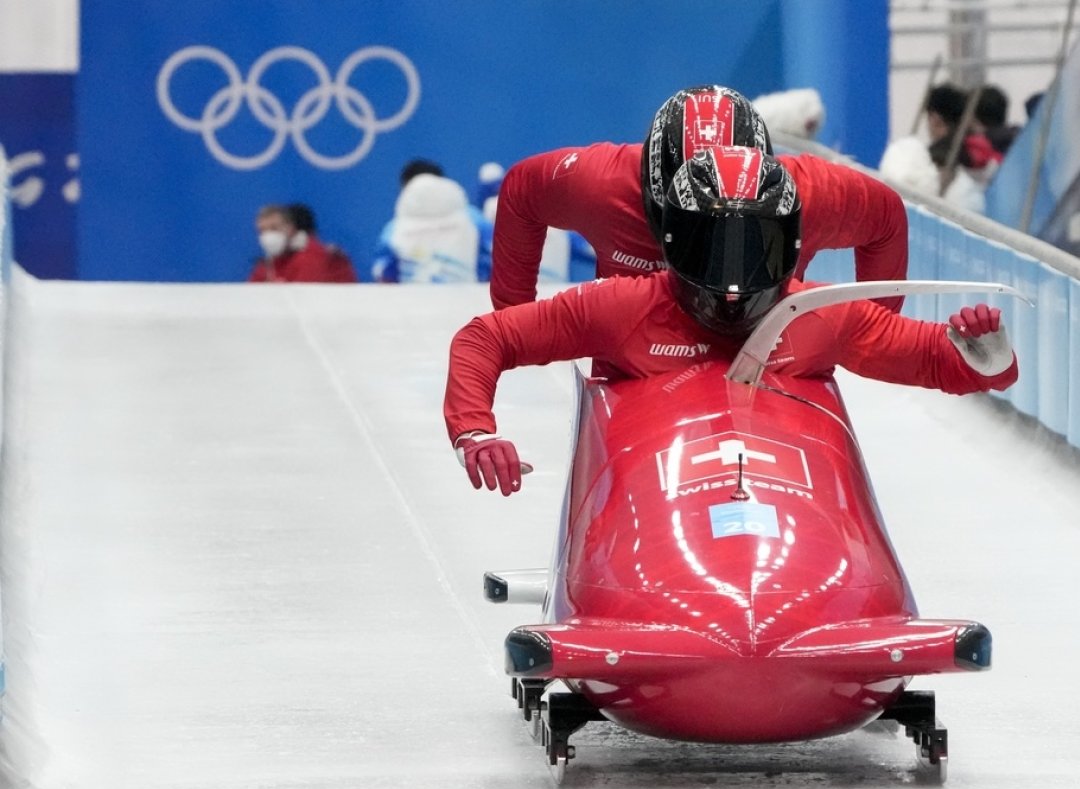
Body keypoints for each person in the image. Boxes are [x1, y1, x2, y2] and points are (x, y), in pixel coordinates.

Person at [445, 147, 1017, 495]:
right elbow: (487, 337)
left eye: (756, 249)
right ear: (673, 243)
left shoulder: (821, 314)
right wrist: (474, 429)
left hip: (788, 491)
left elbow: (933, 356)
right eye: (716, 251)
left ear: (791, 245)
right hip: (654, 494)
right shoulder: (622, 306)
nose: (735, 280)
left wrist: (986, 360)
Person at [488, 85, 909, 316]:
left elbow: (886, 217)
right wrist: (515, 315)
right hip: (638, 366)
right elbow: (523, 191)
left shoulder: (811, 194)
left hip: (766, 358)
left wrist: (868, 330)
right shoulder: (599, 184)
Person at [249, 203, 357, 283]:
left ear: (290, 228)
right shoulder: (267, 264)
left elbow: (305, 297)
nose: (268, 236)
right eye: (262, 231)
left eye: (274, 228)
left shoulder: (313, 254)